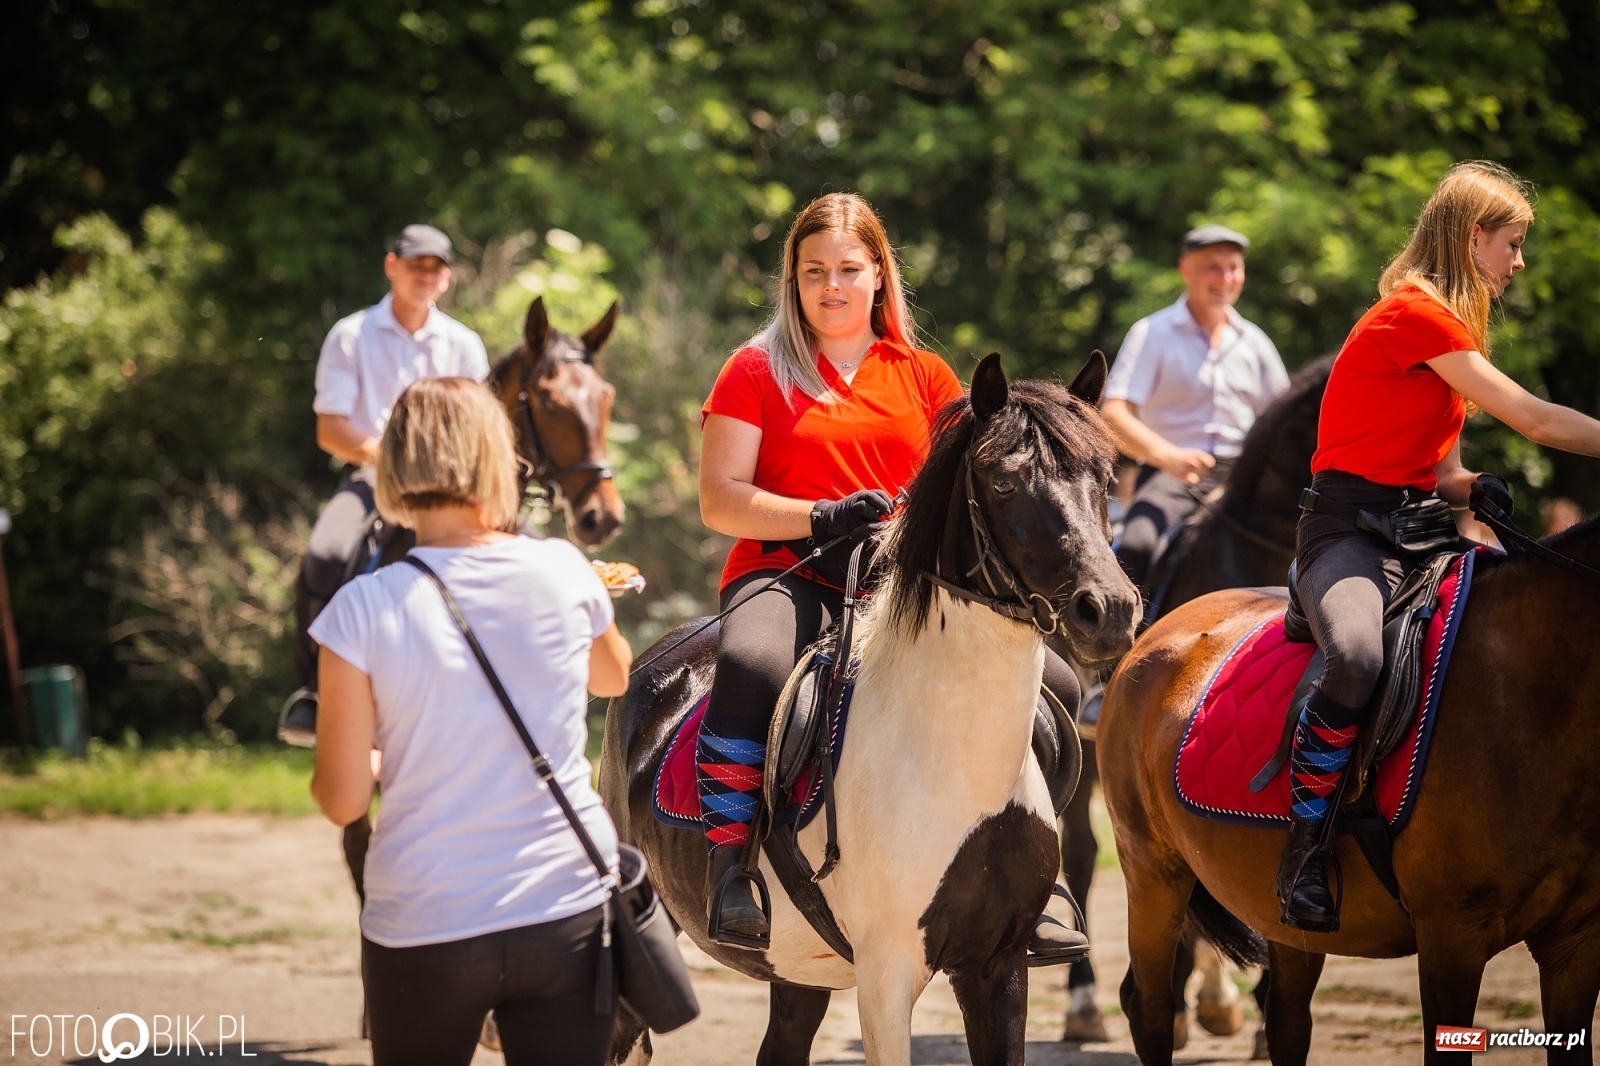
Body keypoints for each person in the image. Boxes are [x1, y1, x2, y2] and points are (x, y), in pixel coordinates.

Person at [696, 191, 1087, 960]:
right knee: (750, 664)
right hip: (791, 570)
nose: (830, 286)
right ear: (793, 280)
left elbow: (968, 482)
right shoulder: (752, 369)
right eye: (813, 272)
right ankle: (730, 865)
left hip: (906, 589)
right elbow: (720, 501)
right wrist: (821, 515)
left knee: (1060, 687)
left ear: (879, 276)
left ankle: (1040, 874)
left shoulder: (925, 375)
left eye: (847, 269)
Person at [1278, 161, 1600, 932]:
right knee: (1356, 657)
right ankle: (1303, 847)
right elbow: (1538, 420)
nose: (1518, 262)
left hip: (1420, 530)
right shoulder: (1413, 316)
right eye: (1512, 244)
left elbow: (1441, 470)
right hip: (1346, 536)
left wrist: (1469, 487)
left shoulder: (1445, 330)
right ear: (1471, 238)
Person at [309, 376, 633, 1065]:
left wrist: (377, 759)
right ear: (499, 459)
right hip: (565, 903)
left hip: (427, 917)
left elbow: (340, 800)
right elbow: (612, 677)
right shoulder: (565, 569)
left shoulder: (359, 610)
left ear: (393, 465)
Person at [280, 224, 490, 745]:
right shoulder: (351, 335)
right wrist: (393, 459)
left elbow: (480, 424)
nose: (427, 275)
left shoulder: (464, 343)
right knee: (325, 556)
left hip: (454, 489)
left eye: (437, 267)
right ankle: (312, 694)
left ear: (447, 278)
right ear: (391, 265)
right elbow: (331, 428)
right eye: (416, 264)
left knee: (528, 547)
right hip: (371, 478)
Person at [1102, 224, 1289, 595]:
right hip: (1171, 476)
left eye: (1233, 267)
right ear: (1185, 269)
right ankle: (1112, 646)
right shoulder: (1152, 333)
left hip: (1244, 478)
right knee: (1136, 546)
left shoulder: (1254, 342)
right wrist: (1168, 456)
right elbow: (1114, 413)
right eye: (1212, 267)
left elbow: (1281, 420)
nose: (1225, 278)